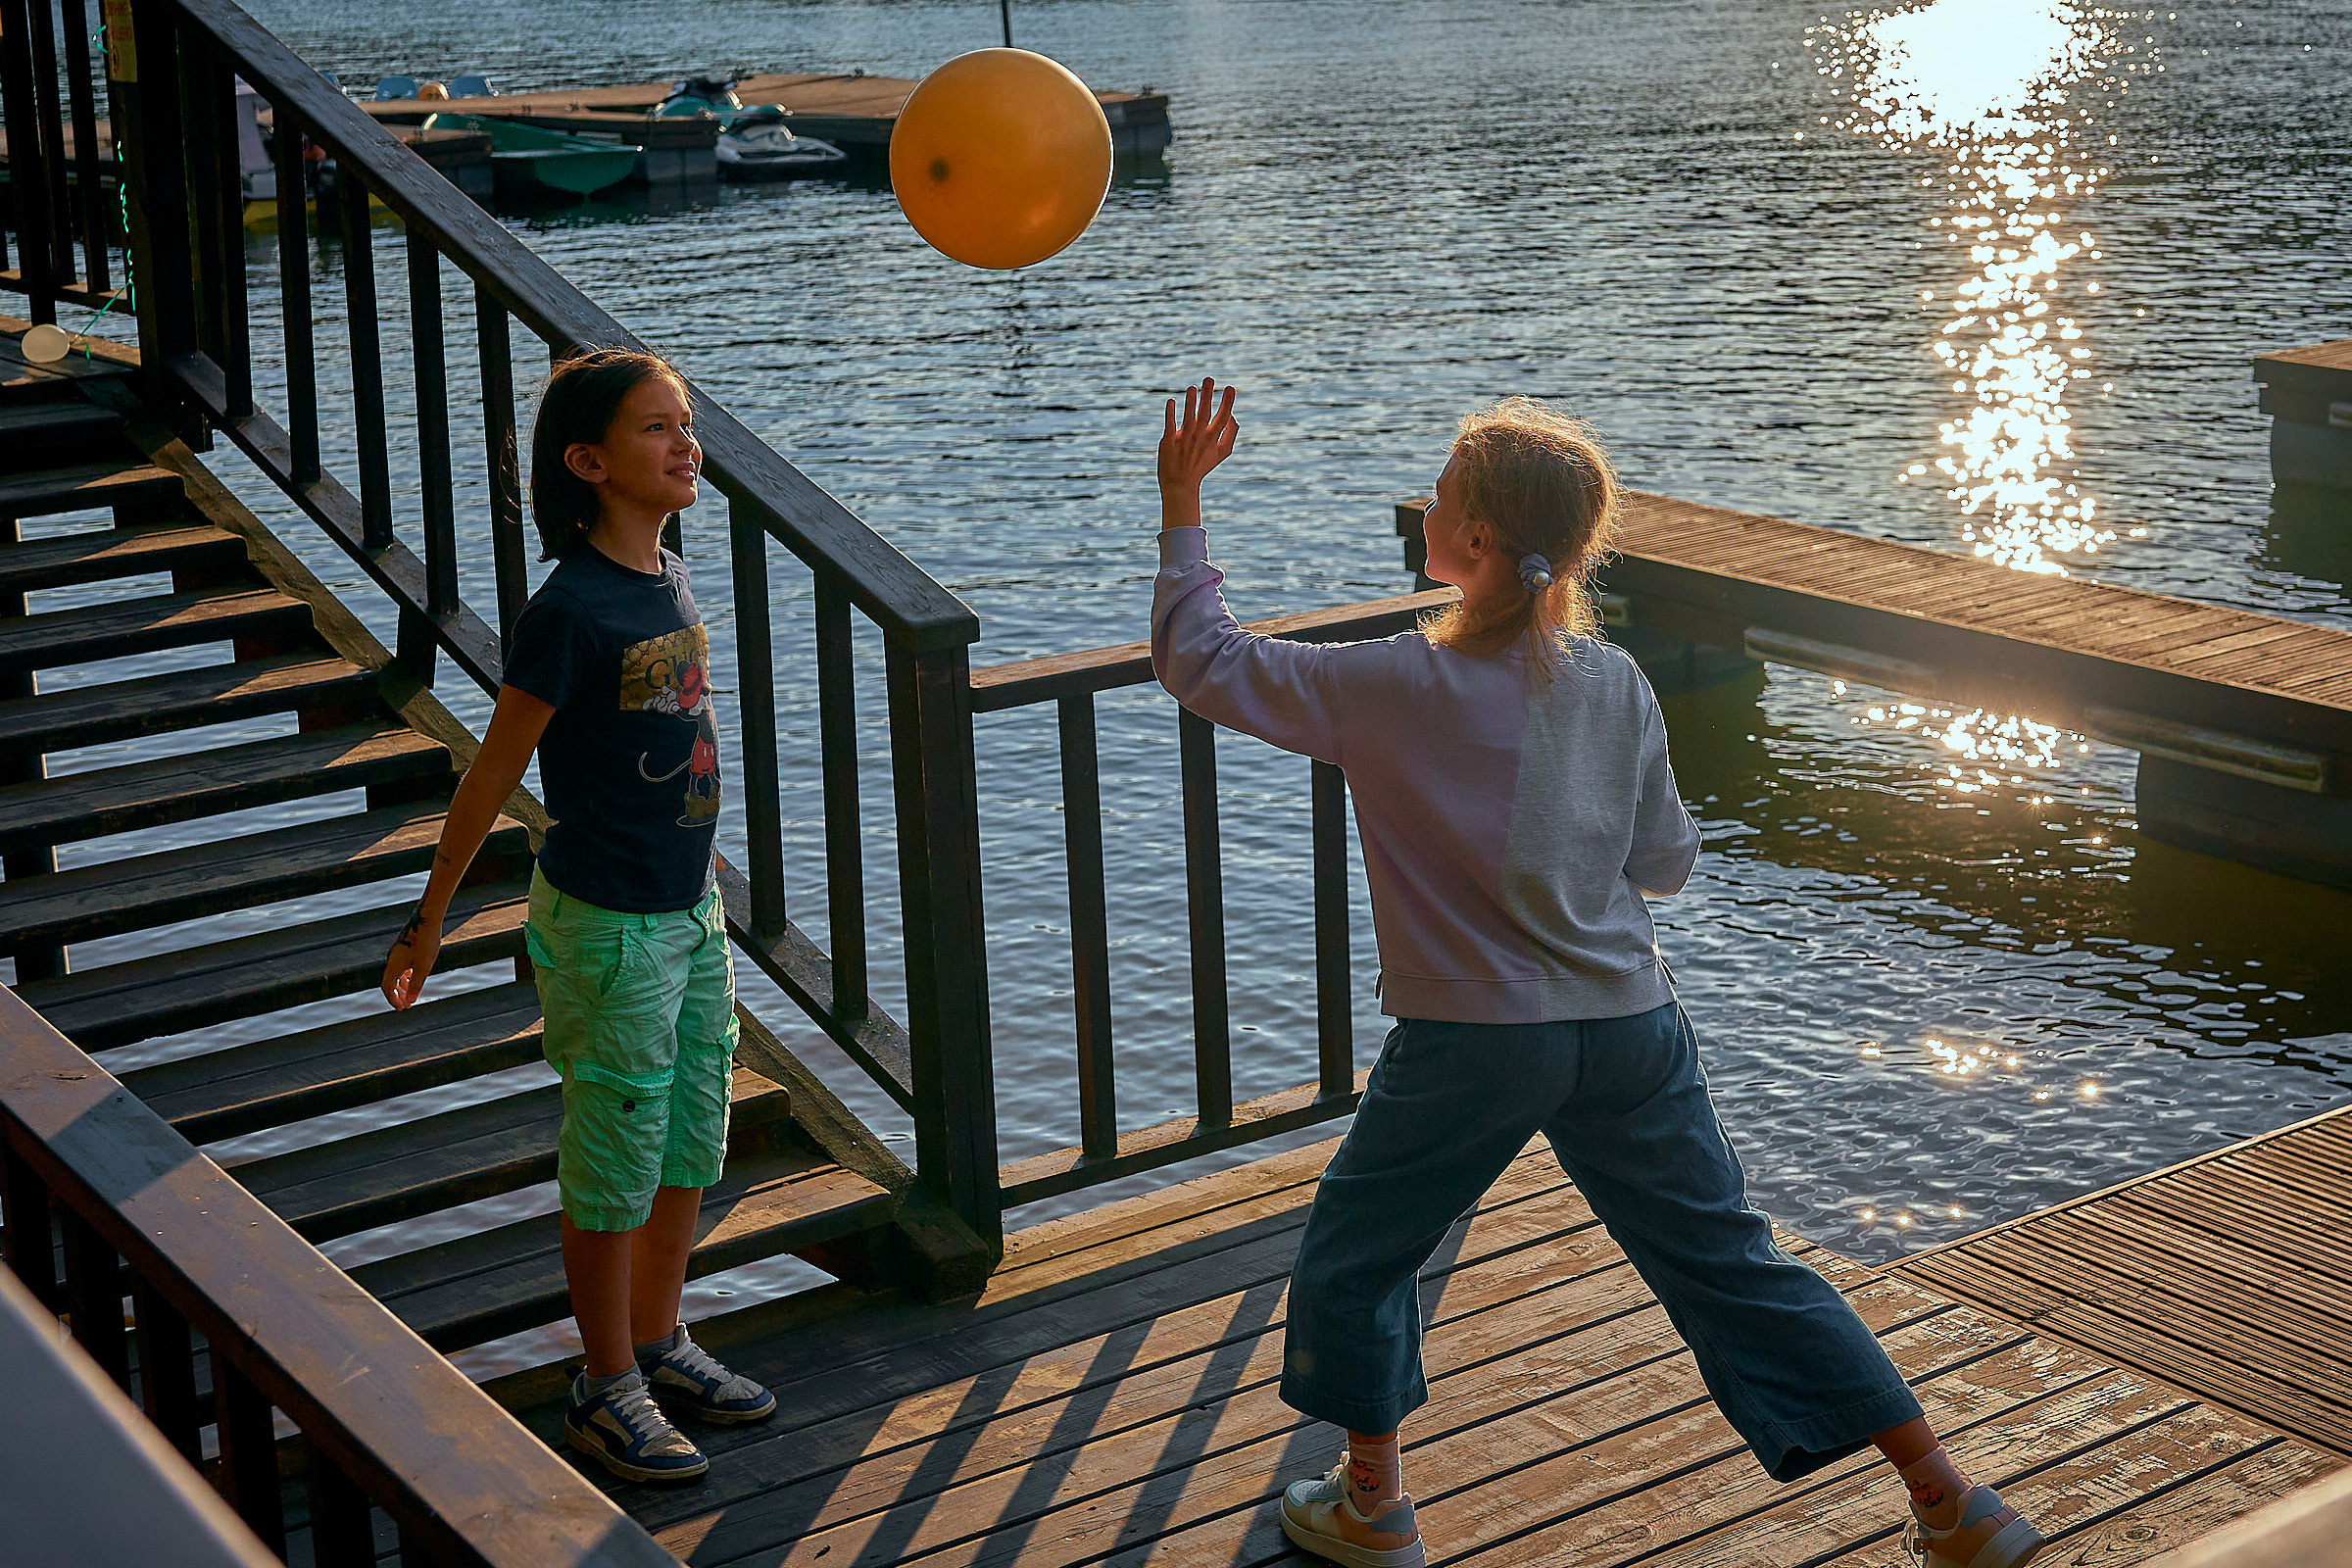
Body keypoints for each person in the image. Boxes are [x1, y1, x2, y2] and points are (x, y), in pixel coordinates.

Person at [1150, 379, 2044, 1568]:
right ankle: (1953, 1501)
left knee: (1358, 1253)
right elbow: (1667, 861)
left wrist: (1183, 502)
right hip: (1632, 1023)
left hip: (1477, 1039)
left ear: (1468, 540)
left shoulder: (1388, 684)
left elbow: (1198, 659)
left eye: (1443, 488)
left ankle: (1373, 1505)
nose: (1429, 500)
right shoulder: (1615, 684)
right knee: (1732, 1263)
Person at [381, 348, 771, 1486]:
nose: (684, 445)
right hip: (608, 928)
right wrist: (430, 919)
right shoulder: (567, 609)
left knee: (693, 1131)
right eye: (657, 430)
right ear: (590, 462)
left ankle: (660, 1337)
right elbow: (495, 770)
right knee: (615, 1151)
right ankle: (604, 1384)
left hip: (689, 912)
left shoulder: (666, 569)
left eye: (685, 425)